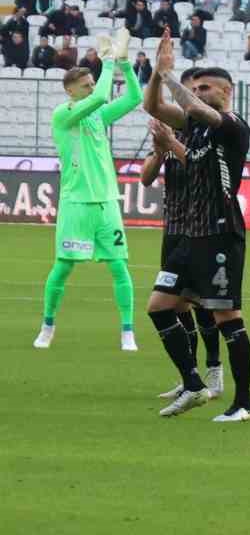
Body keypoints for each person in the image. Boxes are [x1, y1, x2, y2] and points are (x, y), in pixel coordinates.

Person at [140, 37, 250, 421]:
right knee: (160, 307)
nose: (197, 92)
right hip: (190, 236)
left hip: (220, 233)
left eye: (205, 87)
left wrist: (169, 74)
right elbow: (153, 107)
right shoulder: (196, 127)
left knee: (227, 318)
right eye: (195, 87)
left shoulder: (233, 126)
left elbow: (192, 109)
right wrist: (157, 74)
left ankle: (244, 403)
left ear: (226, 91)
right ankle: (193, 384)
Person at [33, 28, 142, 353]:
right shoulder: (63, 115)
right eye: (86, 85)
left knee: (119, 267)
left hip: (106, 203)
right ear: (70, 91)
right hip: (76, 203)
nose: (92, 89)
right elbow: (99, 98)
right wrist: (107, 63)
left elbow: (135, 98)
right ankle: (47, 326)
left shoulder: (96, 115)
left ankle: (127, 332)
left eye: (93, 83)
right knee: (63, 267)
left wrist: (124, 64)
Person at [140, 67, 223, 402]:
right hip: (173, 227)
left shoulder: (204, 134)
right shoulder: (170, 130)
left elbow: (202, 170)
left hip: (200, 228)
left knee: (202, 304)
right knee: (176, 307)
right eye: (190, 90)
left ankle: (214, 370)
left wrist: (171, 144)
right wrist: (161, 150)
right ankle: (190, 377)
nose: (191, 97)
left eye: (197, 91)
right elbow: (146, 178)